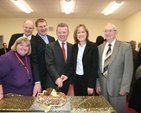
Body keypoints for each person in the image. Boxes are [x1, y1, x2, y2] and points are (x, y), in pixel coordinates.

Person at [96, 23, 133, 113]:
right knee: (103, 110)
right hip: (102, 87)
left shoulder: (125, 47)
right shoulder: (99, 48)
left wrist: (124, 87)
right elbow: (97, 68)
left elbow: (128, 69)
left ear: (116, 32)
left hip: (118, 88)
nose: (107, 33)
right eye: (106, 31)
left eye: (110, 31)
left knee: (117, 110)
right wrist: (97, 84)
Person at [66, 24, 98, 96]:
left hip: (87, 80)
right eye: (78, 32)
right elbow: (72, 65)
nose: (81, 34)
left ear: (86, 33)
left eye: (83, 32)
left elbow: (94, 67)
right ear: (76, 34)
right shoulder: (74, 47)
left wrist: (91, 85)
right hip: (77, 79)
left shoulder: (93, 46)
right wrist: (66, 75)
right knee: (78, 101)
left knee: (86, 104)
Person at [45, 23, 72, 95]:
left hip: (66, 83)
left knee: (63, 104)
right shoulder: (50, 47)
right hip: (53, 82)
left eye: (64, 32)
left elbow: (72, 65)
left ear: (68, 33)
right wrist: (57, 77)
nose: (62, 34)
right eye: (60, 32)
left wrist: (67, 76)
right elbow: (49, 64)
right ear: (56, 33)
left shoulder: (72, 47)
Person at [30, 18, 55, 96]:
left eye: (44, 26)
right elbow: (34, 63)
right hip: (41, 77)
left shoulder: (52, 39)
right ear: (36, 28)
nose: (43, 28)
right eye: (40, 27)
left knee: (53, 98)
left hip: (52, 76)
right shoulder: (33, 42)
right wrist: (37, 82)